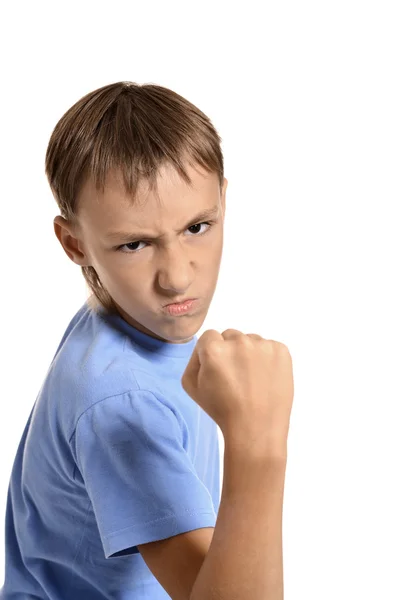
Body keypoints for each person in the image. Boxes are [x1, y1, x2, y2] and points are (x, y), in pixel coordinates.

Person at [0, 81, 294, 599]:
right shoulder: (121, 402)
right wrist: (259, 444)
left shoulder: (118, 313)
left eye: (198, 227)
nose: (178, 277)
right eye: (135, 244)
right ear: (74, 243)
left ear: (224, 197)